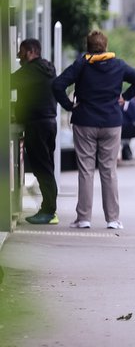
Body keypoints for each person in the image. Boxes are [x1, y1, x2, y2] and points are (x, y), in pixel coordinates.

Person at [52, 30, 135, 229]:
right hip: (111, 123)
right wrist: (125, 96)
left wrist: (69, 106)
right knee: (109, 171)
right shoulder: (118, 64)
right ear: (105, 45)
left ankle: (84, 218)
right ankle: (112, 219)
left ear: (88, 45)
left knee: (86, 170)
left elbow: (58, 84)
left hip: (85, 121)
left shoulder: (82, 64)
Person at [10, 39, 59, 225]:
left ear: (30, 51)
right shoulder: (47, 68)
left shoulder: (31, 70)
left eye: (21, 51)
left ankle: (48, 211)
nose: (18, 56)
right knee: (46, 167)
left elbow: (9, 82)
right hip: (48, 123)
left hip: (37, 125)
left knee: (42, 168)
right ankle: (49, 209)